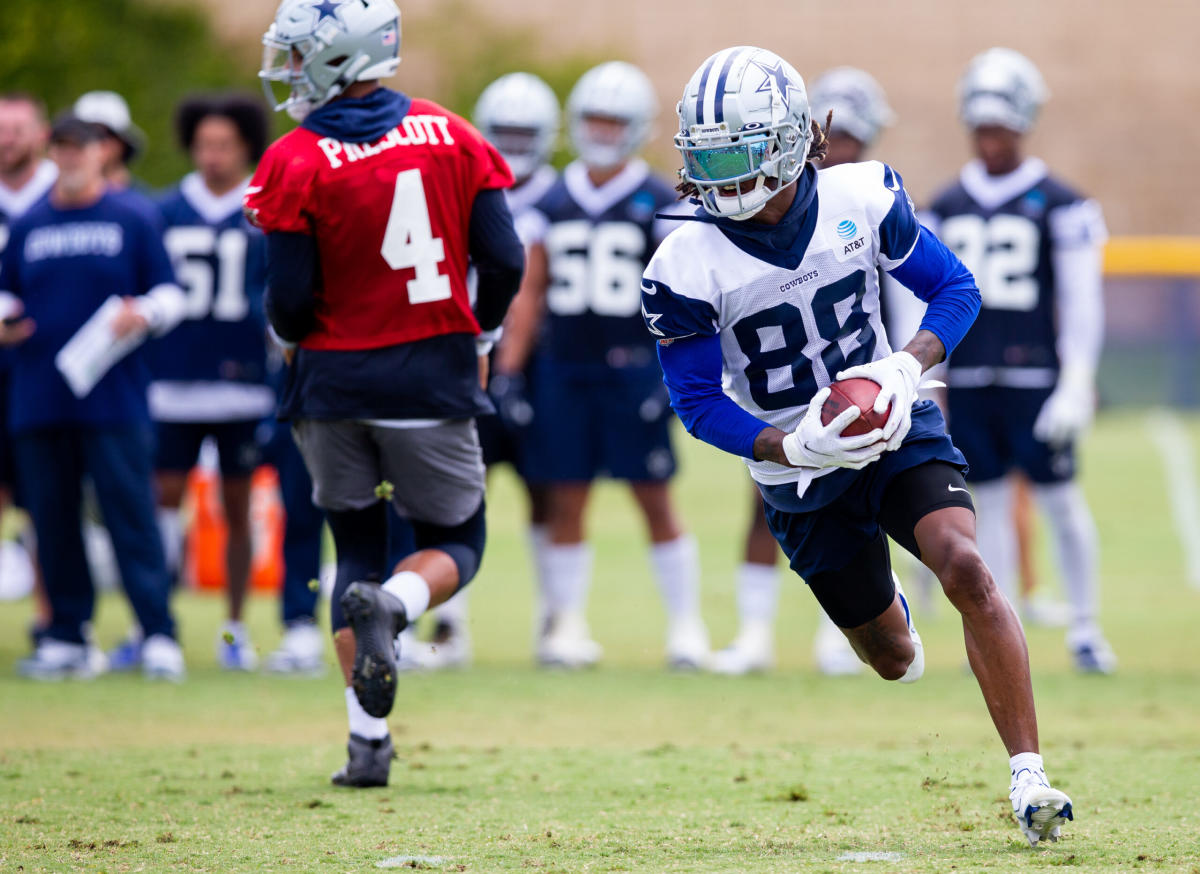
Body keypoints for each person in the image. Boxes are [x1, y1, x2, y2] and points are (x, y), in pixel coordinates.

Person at [644, 45, 1074, 847]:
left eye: (735, 153)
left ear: (781, 143)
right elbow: (698, 403)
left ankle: (1029, 775)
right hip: (799, 475)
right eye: (706, 159)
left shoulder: (864, 195)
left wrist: (903, 370)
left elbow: (956, 290)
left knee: (969, 568)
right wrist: (789, 444)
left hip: (896, 428)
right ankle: (887, 615)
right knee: (890, 655)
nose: (720, 176)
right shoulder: (683, 262)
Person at [246, 0, 523, 786]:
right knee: (458, 542)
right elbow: (503, 260)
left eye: (298, 57)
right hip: (431, 374)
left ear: (339, 57)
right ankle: (400, 607)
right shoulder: (455, 135)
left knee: (354, 550)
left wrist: (303, 346)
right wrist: (483, 337)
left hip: (331, 384)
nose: (287, 72)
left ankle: (367, 744)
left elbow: (290, 302)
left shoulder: (294, 158)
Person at [496, 61, 709, 670]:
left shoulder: (658, 199)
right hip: (564, 366)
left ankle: (686, 627)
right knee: (566, 496)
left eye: (614, 121)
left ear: (637, 127)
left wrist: (677, 374)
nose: (603, 131)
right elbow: (531, 291)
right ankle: (565, 625)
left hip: (633, 365)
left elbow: (686, 293)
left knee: (654, 496)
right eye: (594, 119)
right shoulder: (554, 197)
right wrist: (511, 370)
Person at [925, 48, 1114, 673]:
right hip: (972, 376)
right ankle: (1005, 627)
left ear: (1024, 122)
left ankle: (1085, 626)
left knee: (1060, 499)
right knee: (989, 505)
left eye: (1001, 127)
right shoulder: (944, 205)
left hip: (1035, 374)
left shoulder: (1060, 202)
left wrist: (1077, 380)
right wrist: (926, 379)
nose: (991, 140)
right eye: (982, 128)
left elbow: (1082, 299)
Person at [709, 66, 894, 676]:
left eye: (853, 140)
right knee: (764, 505)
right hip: (783, 389)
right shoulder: (766, 211)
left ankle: (844, 633)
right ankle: (755, 634)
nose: (840, 149)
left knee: (865, 514)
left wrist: (907, 374)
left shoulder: (864, 198)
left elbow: (922, 293)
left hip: (862, 374)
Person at [0, 114, 187, 681]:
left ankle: (156, 632)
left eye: (83, 148)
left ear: (102, 153)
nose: (73, 157)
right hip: (40, 395)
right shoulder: (31, 223)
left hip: (115, 399)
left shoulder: (133, 216)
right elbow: (7, 292)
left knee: (130, 514)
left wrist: (146, 313)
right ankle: (67, 635)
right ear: (53, 152)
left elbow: (170, 291)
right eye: (64, 148)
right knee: (52, 519)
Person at [397, 71, 562, 671]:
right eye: (505, 133)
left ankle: (557, 621)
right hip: (464, 360)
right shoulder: (458, 185)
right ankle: (450, 626)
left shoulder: (558, 198)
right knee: (458, 495)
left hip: (543, 372)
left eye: (526, 133)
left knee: (550, 495)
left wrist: (512, 369)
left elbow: (530, 291)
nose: (515, 145)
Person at [134, 94, 273, 671]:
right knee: (162, 502)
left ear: (246, 147)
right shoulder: (164, 211)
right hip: (173, 381)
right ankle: (157, 627)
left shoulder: (266, 210)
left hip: (242, 384)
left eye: (225, 145)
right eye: (204, 145)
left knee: (236, 507)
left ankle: (234, 630)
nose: (213, 156)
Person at [0, 92, 58, 638]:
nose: (6, 138)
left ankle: (53, 618)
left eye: (16, 128)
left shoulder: (63, 198)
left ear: (41, 135)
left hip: (48, 375)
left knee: (46, 500)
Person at [73, 92, 146, 193]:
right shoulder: (54, 201)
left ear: (122, 142)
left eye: (106, 134)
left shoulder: (144, 203)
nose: (96, 143)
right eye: (85, 136)